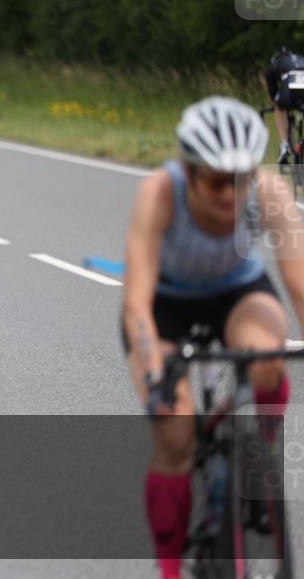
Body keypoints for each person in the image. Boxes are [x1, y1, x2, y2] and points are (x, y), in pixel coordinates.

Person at [120, 96, 303, 579]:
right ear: (190, 171)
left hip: (236, 293)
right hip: (164, 306)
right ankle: (169, 570)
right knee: (175, 432)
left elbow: (300, 289)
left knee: (268, 361)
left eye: (239, 179)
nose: (230, 194)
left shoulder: (269, 193)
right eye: (217, 181)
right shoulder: (159, 194)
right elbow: (136, 303)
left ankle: (251, 453)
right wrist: (156, 373)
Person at [264, 47, 304, 166]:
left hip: (289, 88)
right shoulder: (301, 59)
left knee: (279, 108)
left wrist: (275, 99)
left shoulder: (276, 64)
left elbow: (273, 92)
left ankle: (285, 145)